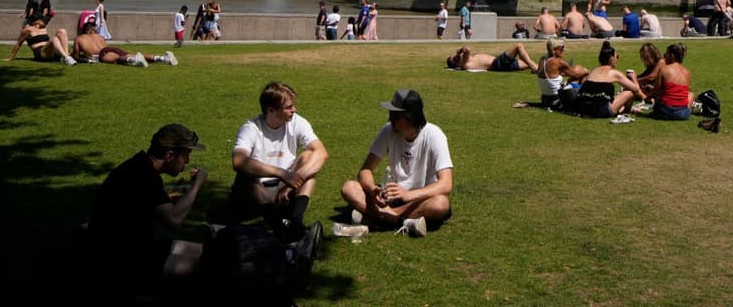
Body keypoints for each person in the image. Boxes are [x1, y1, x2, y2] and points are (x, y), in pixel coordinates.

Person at [86, 124, 209, 280]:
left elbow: (149, 204)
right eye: (185, 155)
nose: (187, 161)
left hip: (130, 247)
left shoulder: (139, 165)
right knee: (209, 266)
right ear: (170, 156)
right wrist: (197, 185)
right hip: (123, 261)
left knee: (208, 252)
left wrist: (173, 195)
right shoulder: (146, 177)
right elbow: (173, 220)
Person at [225, 81, 329, 242]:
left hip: (284, 189)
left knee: (309, 158)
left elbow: (322, 153)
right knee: (247, 174)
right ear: (271, 110)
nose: (294, 110)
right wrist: (281, 173)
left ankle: (296, 221)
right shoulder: (251, 128)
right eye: (288, 107)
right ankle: (277, 225)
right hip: (256, 192)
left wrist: (291, 181)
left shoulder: (296, 122)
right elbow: (238, 161)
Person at [340, 89, 452, 236]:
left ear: (409, 117)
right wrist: (373, 189)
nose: (390, 119)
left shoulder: (434, 135)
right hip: (391, 198)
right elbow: (365, 171)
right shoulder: (388, 131)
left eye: (395, 116)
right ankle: (401, 221)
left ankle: (376, 217)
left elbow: (446, 184)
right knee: (349, 188)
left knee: (440, 204)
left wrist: (408, 195)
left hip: (420, 200)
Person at [568, 41, 646, 119]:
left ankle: (625, 109)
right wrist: (634, 78)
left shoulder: (594, 70)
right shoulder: (614, 73)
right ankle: (626, 111)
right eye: (617, 56)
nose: (617, 59)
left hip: (584, 108)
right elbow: (635, 89)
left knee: (614, 95)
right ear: (611, 59)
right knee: (629, 93)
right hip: (601, 110)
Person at [74, 20, 176, 66]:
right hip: (112, 49)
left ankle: (133, 59)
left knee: (118, 59)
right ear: (92, 30)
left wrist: (84, 57)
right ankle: (163, 58)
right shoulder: (99, 36)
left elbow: (75, 56)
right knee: (132, 55)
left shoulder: (79, 39)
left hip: (103, 54)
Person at [528, 37, 589, 109]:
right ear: (554, 49)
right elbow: (576, 75)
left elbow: (551, 74)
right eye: (561, 48)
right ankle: (586, 101)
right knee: (582, 72)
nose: (563, 50)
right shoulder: (558, 62)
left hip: (546, 97)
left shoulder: (543, 59)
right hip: (559, 98)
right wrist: (587, 72)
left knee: (578, 69)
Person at [642, 43, 694, 120]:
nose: (664, 56)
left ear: (672, 56)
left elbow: (656, 91)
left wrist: (647, 97)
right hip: (682, 114)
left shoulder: (664, 70)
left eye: (666, 54)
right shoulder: (687, 72)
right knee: (691, 94)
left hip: (664, 111)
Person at [5, 19, 78, 64]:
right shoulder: (27, 29)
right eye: (40, 19)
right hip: (40, 54)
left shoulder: (43, 29)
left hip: (50, 52)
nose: (42, 20)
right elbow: (18, 43)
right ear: (35, 21)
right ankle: (67, 58)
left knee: (62, 31)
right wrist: (11, 57)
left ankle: (67, 57)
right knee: (54, 39)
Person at [445, 42, 538, 72]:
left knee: (529, 63)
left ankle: (539, 69)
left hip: (500, 64)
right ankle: (534, 68)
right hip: (498, 63)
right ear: (455, 64)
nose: (455, 57)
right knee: (518, 46)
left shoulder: (465, 61)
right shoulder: (464, 64)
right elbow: (468, 49)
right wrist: (459, 51)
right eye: (454, 59)